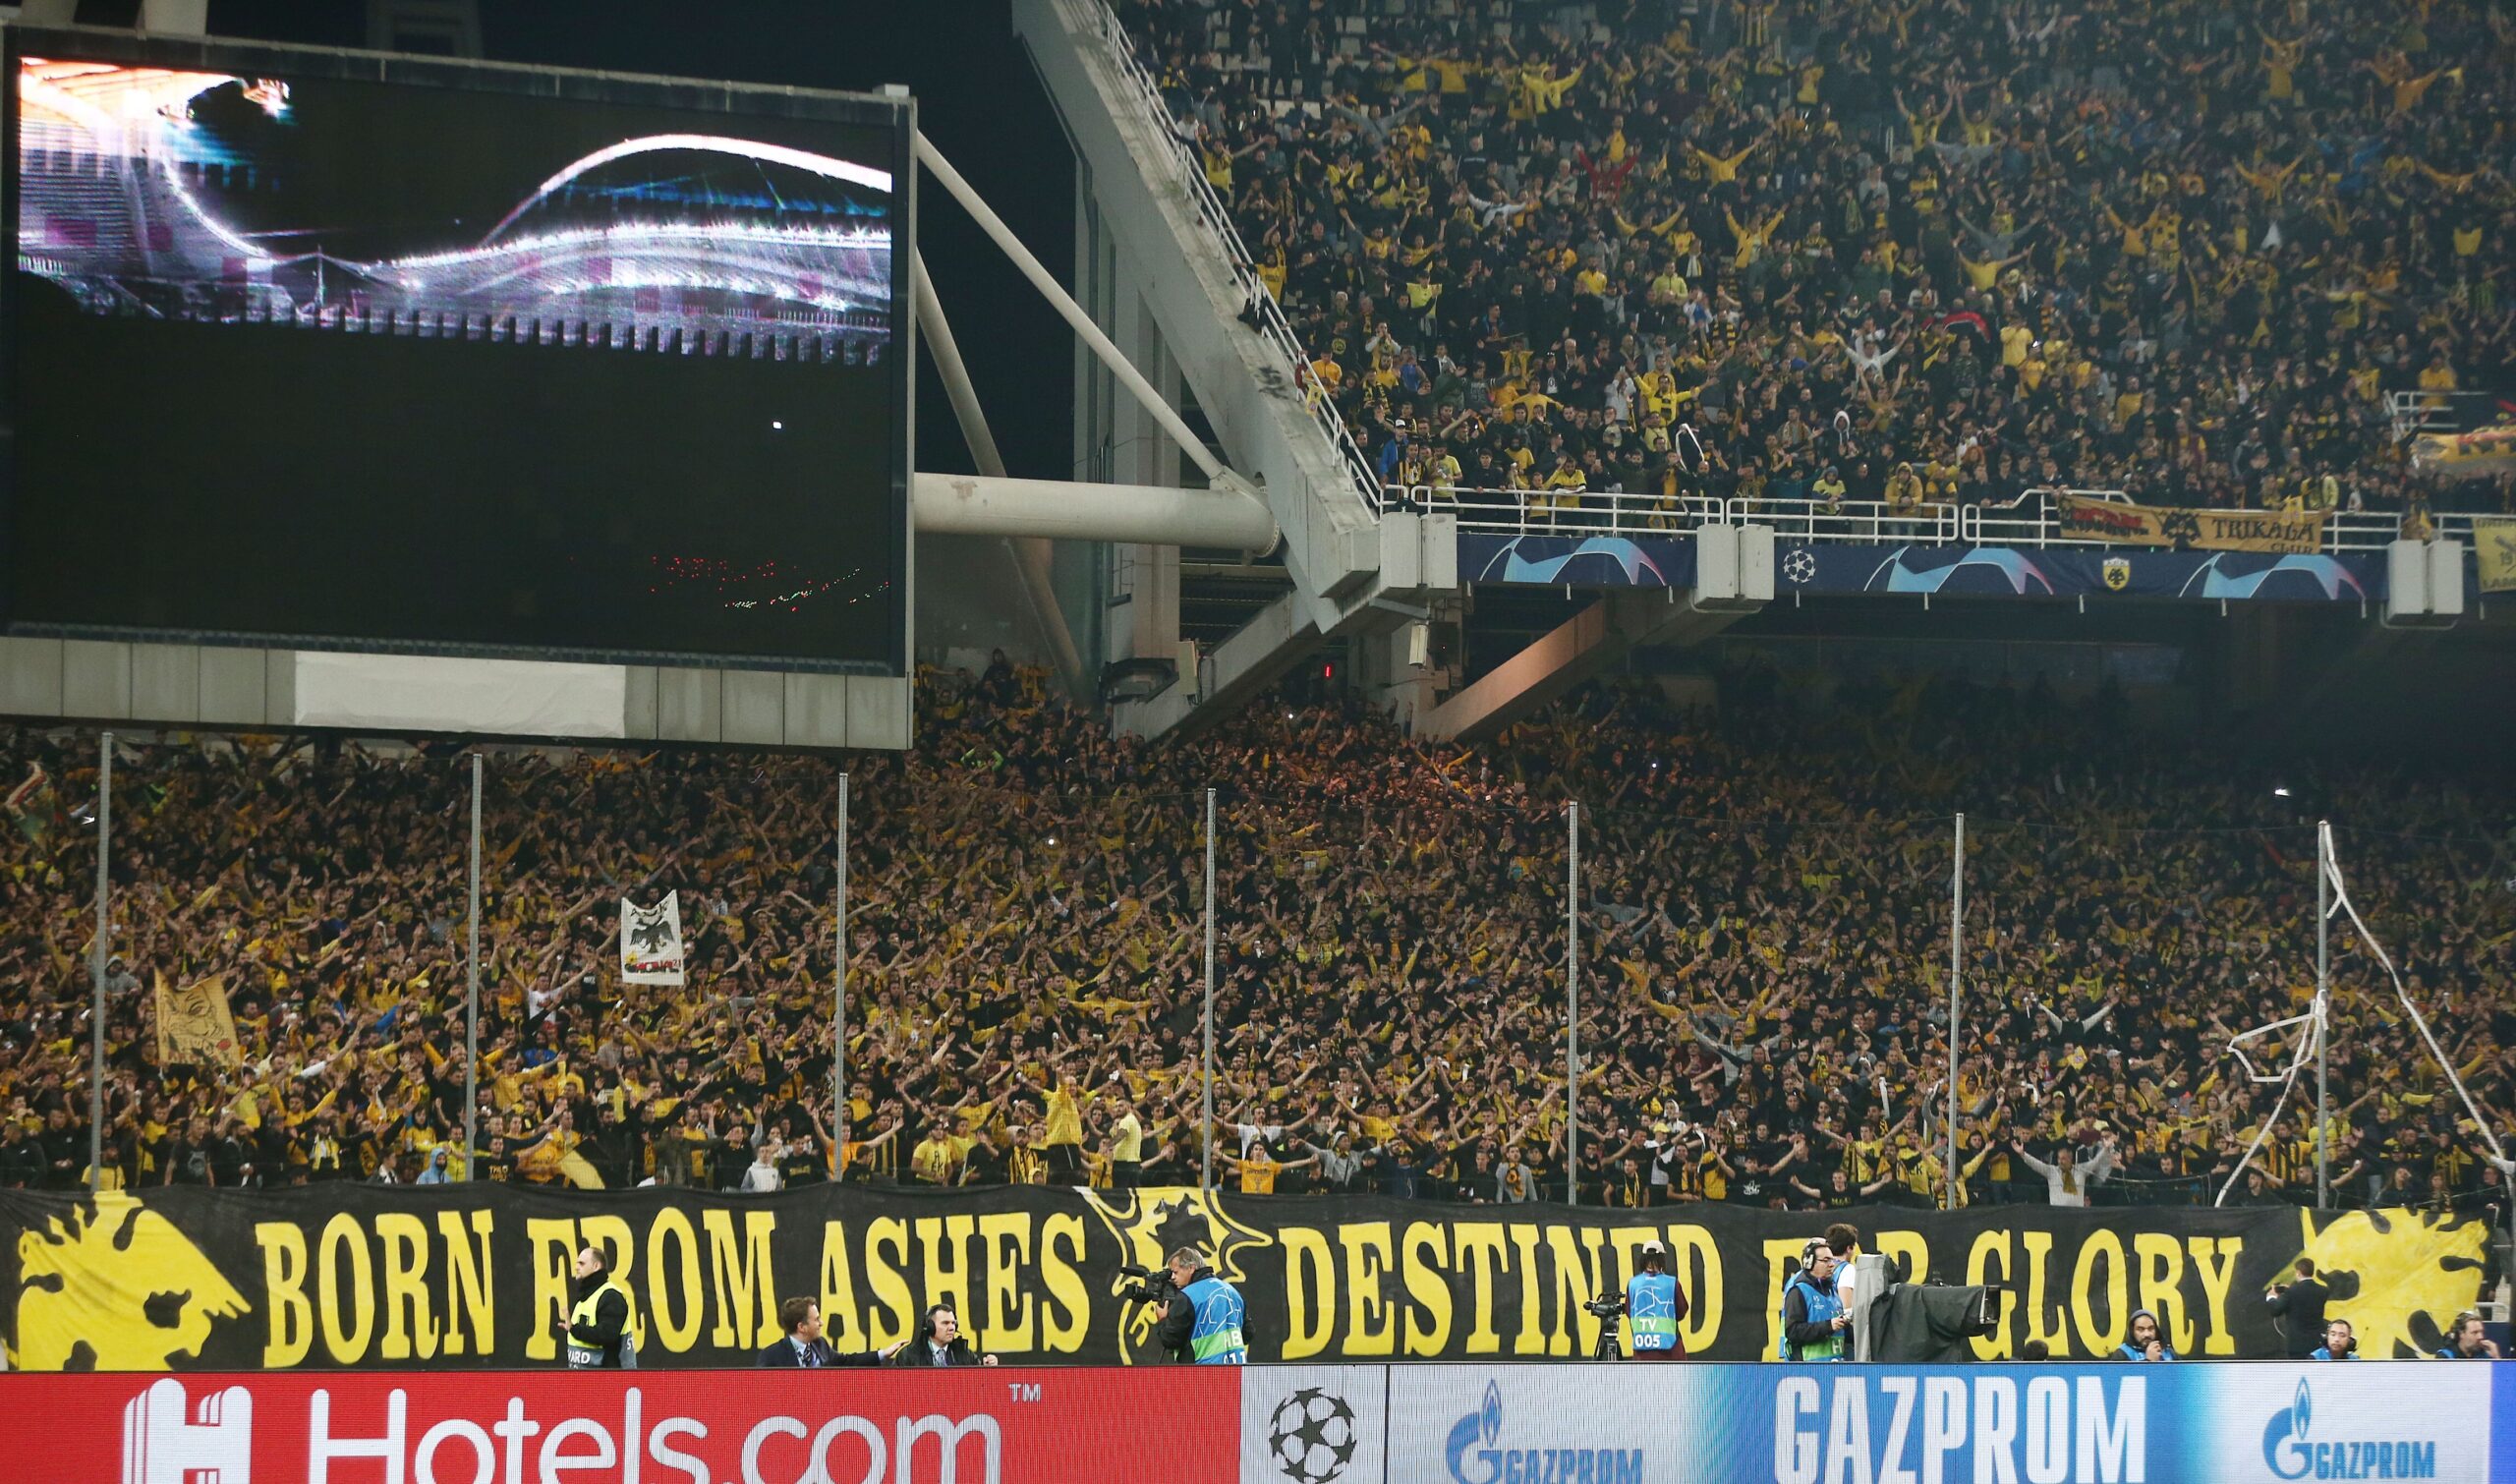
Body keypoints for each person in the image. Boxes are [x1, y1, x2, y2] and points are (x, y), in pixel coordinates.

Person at [1156, 1244, 1248, 1364]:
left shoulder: (1188, 1296)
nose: (1172, 1277)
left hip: (1203, 1374)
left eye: (1176, 1272)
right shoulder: (1233, 1292)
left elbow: (1170, 1339)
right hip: (1237, 1371)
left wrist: (1162, 1319)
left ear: (1191, 1268)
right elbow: (1247, 1334)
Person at [758, 1297, 905, 1367]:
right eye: (816, 1319)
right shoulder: (772, 1356)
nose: (821, 1323)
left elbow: (847, 1362)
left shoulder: (820, 1345)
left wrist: (883, 1354)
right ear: (802, 1327)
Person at [552, 1245, 634, 1368]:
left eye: (582, 1263)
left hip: (606, 1380)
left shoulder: (611, 1296)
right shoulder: (586, 1296)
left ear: (596, 1266)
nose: (576, 1267)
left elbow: (607, 1335)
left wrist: (575, 1329)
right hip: (586, 1380)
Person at [1779, 1237, 1848, 1362]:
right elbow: (1793, 1332)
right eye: (1826, 1260)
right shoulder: (1798, 1291)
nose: (1831, 1264)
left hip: (1836, 1368)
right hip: (1807, 1370)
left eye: (1832, 1260)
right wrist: (1828, 1326)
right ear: (1809, 1263)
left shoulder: (1832, 1290)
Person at [1625, 1237, 1687, 1360]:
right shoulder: (1672, 1283)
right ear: (1662, 1259)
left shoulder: (1633, 1284)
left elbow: (1628, 1312)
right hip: (1670, 1352)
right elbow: (1681, 1312)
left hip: (1642, 1354)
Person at [2011, 1135, 2115, 1208]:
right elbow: (2036, 1164)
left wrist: (2105, 1149)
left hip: (2077, 1213)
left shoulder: (2081, 1170)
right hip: (2057, 1214)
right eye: (2059, 1158)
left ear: (2070, 1158)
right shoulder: (2051, 1171)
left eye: (2064, 1158)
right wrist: (2022, 1154)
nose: (2060, 1161)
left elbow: (2096, 1162)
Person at [887, 1304, 999, 1367]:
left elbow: (980, 1387)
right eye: (945, 1323)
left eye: (953, 1323)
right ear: (930, 1326)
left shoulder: (965, 1354)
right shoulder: (909, 1356)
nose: (951, 1328)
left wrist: (987, 1370)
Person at [2266, 1259, 2331, 1359]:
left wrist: (2271, 1298)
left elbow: (2276, 1310)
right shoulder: (2323, 1291)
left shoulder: (2291, 1292)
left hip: (2296, 1345)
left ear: (2298, 1272)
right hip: (2316, 1343)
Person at [2436, 1311, 2500, 1359]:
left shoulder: (2485, 1354)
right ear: (2461, 1334)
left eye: (2481, 1332)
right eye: (2475, 1332)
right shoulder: (2445, 1357)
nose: (2481, 1337)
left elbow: (2501, 1376)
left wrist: (2496, 1357)